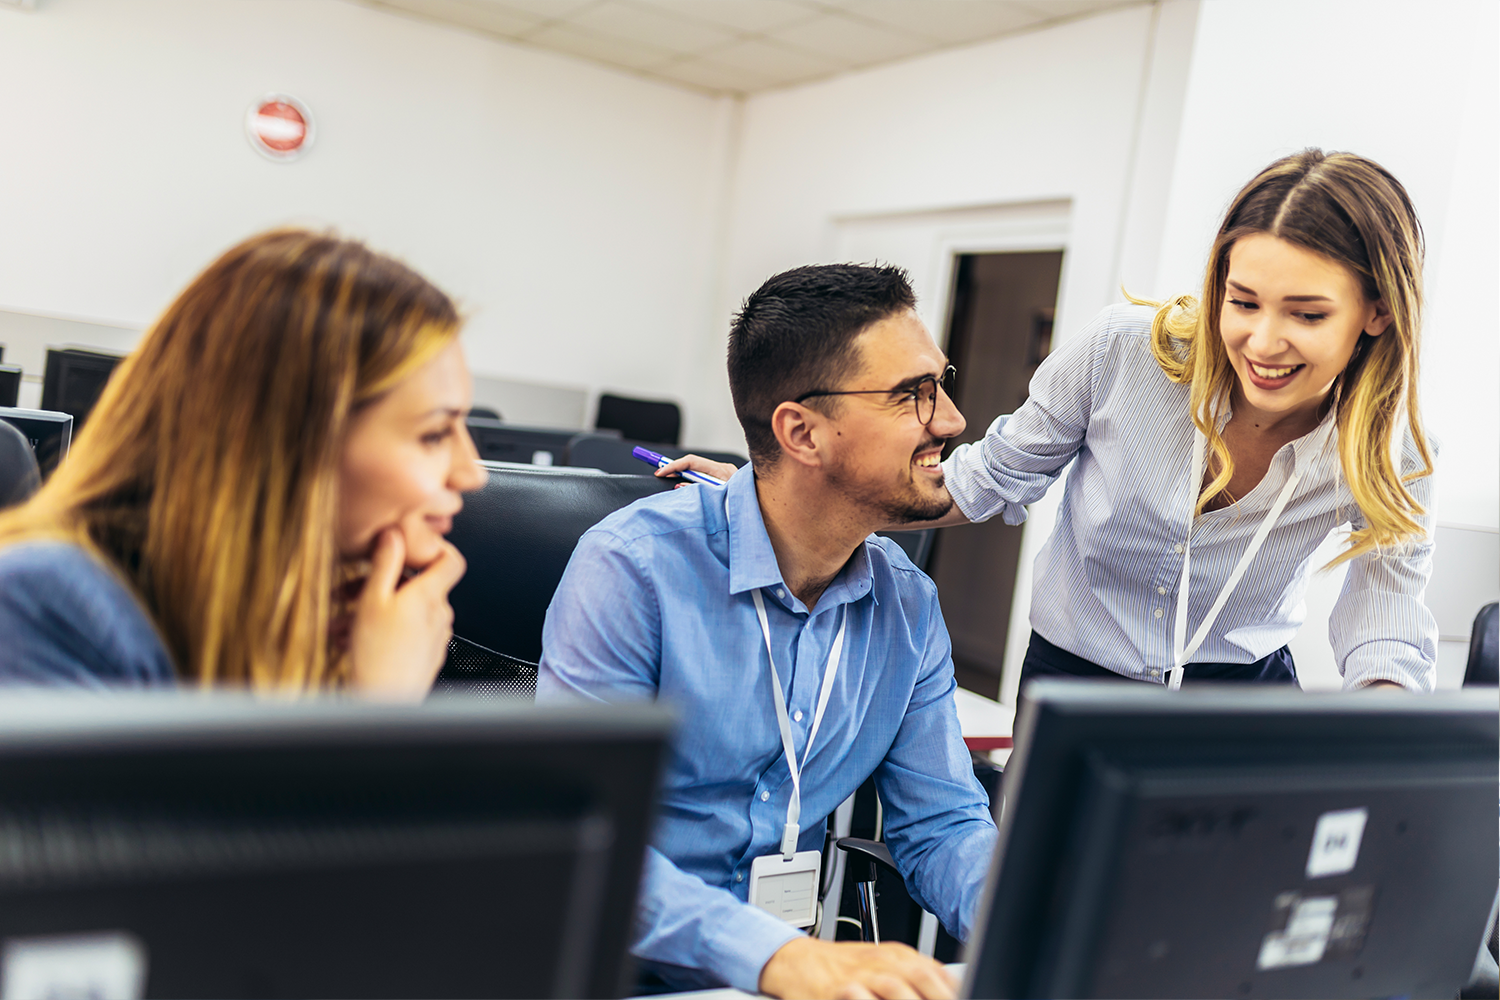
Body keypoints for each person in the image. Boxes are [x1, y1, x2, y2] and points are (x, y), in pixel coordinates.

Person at [678, 149, 1437, 696]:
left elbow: (1387, 615)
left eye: (1306, 314)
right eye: (1242, 301)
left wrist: (1381, 725)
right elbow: (987, 479)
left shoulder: (1392, 447)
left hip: (1239, 691)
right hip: (1078, 674)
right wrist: (783, 493)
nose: (1263, 342)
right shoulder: (1124, 355)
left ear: (1377, 312)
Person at [537, 264, 995, 1000]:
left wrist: (1040, 917)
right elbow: (591, 841)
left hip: (783, 976)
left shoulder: (906, 605)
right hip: (608, 973)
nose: (950, 420)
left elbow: (943, 825)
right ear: (801, 432)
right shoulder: (633, 570)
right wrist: (778, 958)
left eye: (938, 384)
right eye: (912, 394)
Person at [0, 229, 486, 698]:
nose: (472, 473)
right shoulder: (43, 608)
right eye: (435, 433)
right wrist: (377, 714)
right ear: (293, 441)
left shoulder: (307, 615)